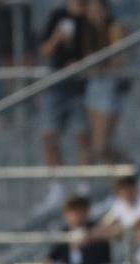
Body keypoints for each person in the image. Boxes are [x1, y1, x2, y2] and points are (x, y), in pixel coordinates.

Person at [39, 0, 89, 168]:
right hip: (57, 83)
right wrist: (57, 37)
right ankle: (57, 183)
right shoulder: (58, 16)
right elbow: (45, 50)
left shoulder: (91, 17)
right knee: (49, 134)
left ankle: (84, 183)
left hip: (81, 86)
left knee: (82, 135)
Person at [82, 0, 126, 163]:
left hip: (109, 86)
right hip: (94, 86)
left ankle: (130, 170)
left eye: (97, 10)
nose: (94, 14)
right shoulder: (88, 32)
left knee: (101, 146)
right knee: (97, 146)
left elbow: (118, 61)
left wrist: (97, 66)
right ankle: (120, 182)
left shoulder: (114, 29)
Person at [44, 195, 112, 264]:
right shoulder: (64, 233)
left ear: (86, 212)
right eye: (71, 211)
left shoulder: (96, 232)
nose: (75, 215)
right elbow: (52, 256)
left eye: (78, 210)